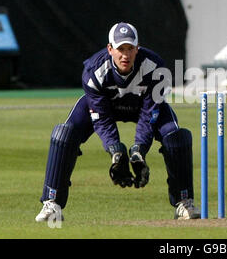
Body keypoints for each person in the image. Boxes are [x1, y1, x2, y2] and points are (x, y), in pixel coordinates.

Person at [35, 22, 200, 221]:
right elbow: (101, 118)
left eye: (130, 48)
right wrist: (116, 150)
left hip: (142, 107)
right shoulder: (94, 71)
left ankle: (183, 202)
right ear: (110, 49)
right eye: (120, 49)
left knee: (176, 137)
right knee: (64, 135)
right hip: (106, 108)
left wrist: (138, 150)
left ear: (137, 49)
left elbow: (150, 115)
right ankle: (52, 204)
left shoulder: (156, 69)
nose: (126, 55)